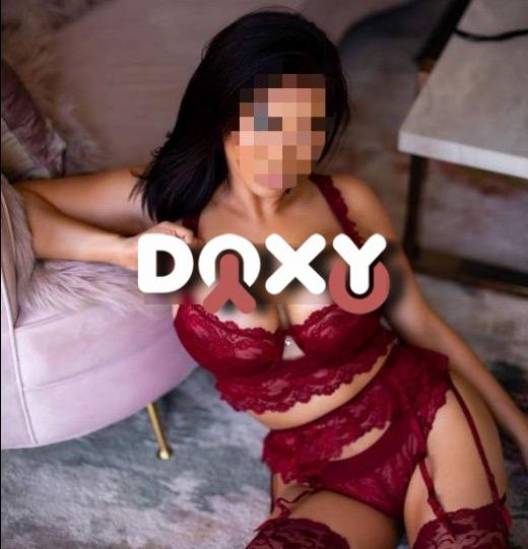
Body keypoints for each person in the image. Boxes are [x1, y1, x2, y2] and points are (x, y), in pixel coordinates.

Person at [14, 9, 526, 548]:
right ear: (223, 112)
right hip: (316, 471)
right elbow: (20, 207)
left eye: (309, 129)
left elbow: (422, 324)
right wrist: (120, 252)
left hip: (426, 416)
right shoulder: (170, 200)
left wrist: (520, 428)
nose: (287, 151)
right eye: (267, 123)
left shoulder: (347, 202)